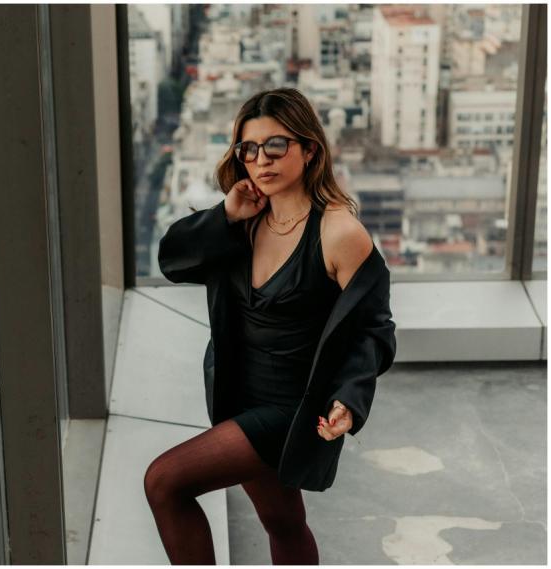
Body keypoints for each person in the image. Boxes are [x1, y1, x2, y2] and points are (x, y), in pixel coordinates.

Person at [146, 87, 396, 565]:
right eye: (249, 148)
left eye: (276, 145)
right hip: (239, 396)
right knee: (283, 521)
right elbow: (173, 260)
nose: (261, 159)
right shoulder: (245, 221)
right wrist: (225, 215)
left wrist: (350, 396)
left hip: (290, 408)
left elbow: (375, 328)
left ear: (309, 150)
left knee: (164, 481)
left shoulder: (338, 232)